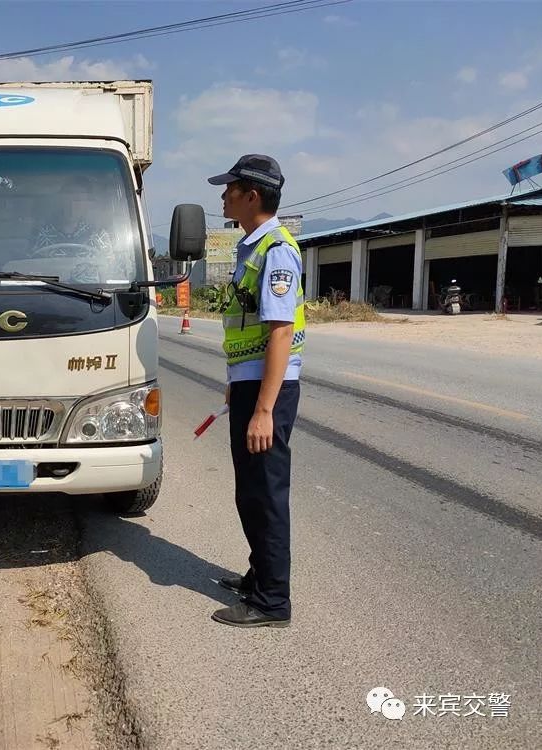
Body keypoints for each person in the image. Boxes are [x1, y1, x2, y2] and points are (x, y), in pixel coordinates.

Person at [206, 154, 305, 629]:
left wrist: (264, 408)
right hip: (250, 385)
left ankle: (272, 601)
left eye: (230, 189)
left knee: (265, 493)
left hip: (271, 391)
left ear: (253, 196)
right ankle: (258, 576)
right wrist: (236, 386)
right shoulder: (250, 246)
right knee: (250, 490)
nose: (223, 195)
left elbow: (281, 332)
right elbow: (250, 330)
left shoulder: (276, 250)